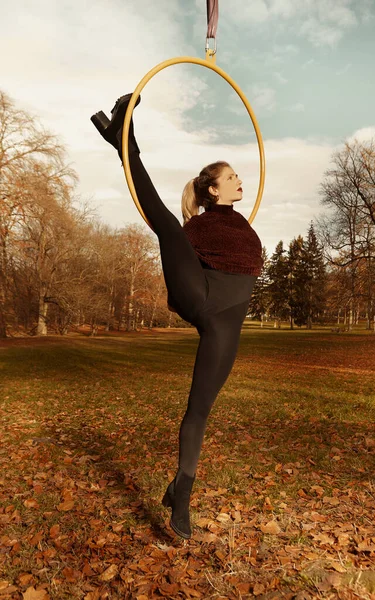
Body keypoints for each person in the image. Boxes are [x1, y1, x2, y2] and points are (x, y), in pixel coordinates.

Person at [91, 94, 263, 539]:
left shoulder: (242, 225)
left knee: (200, 410)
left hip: (226, 323)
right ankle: (124, 140)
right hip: (198, 294)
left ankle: (179, 486)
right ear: (213, 189)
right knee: (166, 223)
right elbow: (171, 229)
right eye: (233, 177)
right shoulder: (198, 227)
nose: (241, 180)